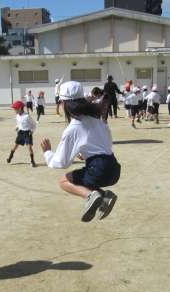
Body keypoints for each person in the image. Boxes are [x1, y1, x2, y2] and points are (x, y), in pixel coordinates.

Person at [40, 81, 121, 223]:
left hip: (98, 169)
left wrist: (47, 152)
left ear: (65, 104)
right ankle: (105, 196)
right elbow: (106, 144)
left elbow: (62, 163)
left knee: (64, 181)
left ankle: (92, 196)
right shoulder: (98, 120)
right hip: (114, 168)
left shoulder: (73, 128)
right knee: (86, 179)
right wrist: (86, 153)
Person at [7, 100, 37, 168]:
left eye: (15, 109)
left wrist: (32, 131)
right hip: (20, 133)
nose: (14, 110)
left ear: (20, 108)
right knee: (15, 146)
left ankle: (32, 161)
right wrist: (17, 127)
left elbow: (34, 124)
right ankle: (10, 157)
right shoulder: (17, 116)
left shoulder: (27, 116)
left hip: (27, 133)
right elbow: (18, 123)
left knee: (29, 147)